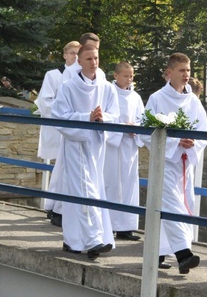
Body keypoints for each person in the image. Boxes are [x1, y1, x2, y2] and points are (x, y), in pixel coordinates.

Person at [144, 52, 207, 274]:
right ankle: (184, 254)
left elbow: (203, 131)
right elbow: (147, 132)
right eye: (181, 70)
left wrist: (194, 142)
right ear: (169, 73)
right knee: (172, 204)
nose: (186, 75)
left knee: (183, 204)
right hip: (166, 161)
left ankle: (160, 253)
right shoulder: (157, 98)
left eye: (188, 71)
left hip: (185, 163)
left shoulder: (193, 101)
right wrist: (173, 141)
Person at [52, 44, 118, 260]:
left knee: (89, 190)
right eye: (89, 59)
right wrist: (85, 118)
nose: (94, 62)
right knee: (84, 189)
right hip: (76, 144)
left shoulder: (106, 87)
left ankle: (73, 240)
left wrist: (102, 118)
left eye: (96, 58)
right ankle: (93, 239)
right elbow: (59, 116)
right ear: (79, 61)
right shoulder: (69, 87)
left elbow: (114, 115)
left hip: (96, 145)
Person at [36, 41, 80, 218]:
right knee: (59, 168)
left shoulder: (81, 77)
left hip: (75, 126)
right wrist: (65, 112)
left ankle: (63, 207)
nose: (75, 57)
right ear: (65, 55)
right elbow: (45, 101)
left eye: (78, 54)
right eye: (72, 53)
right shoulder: (54, 75)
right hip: (58, 126)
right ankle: (53, 206)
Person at [106, 61, 145, 241]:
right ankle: (109, 224)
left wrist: (136, 128)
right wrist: (122, 127)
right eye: (125, 76)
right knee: (112, 184)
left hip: (129, 145)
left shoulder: (136, 97)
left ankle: (126, 227)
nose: (129, 79)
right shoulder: (108, 93)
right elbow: (105, 117)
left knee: (129, 185)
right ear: (116, 76)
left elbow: (143, 118)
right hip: (113, 145)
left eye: (131, 76)